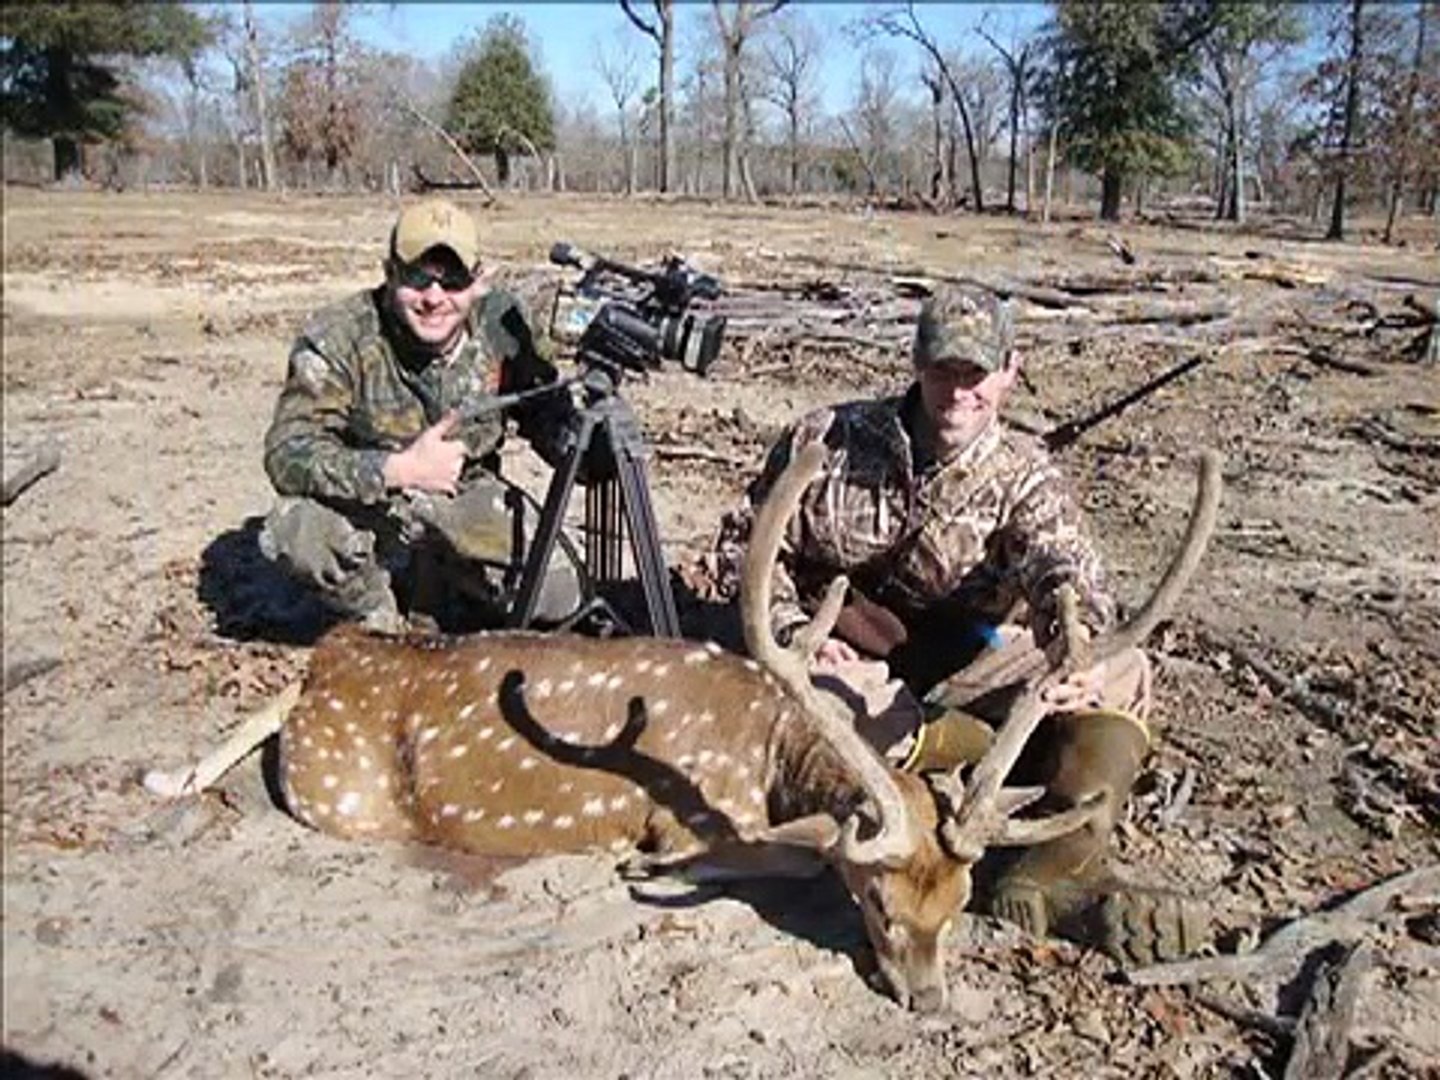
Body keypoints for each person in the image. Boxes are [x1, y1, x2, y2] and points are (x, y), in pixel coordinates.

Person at [710, 284, 1205, 964]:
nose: (957, 392)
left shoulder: (1026, 476)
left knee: (1124, 669)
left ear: (1009, 371)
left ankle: (1058, 866)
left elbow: (1069, 572)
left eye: (976, 374)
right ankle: (923, 837)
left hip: (970, 659)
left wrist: (1075, 646)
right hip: (847, 662)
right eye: (943, 369)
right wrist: (798, 635)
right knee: (812, 714)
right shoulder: (825, 439)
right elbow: (746, 547)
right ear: (916, 362)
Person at [260, 198, 586, 635]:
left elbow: (547, 417)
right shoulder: (339, 334)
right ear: (389, 273)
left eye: (452, 281)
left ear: (478, 281)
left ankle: (451, 589)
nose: (434, 298)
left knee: (563, 594)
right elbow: (286, 451)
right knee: (297, 533)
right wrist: (399, 469)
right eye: (418, 278)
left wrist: (591, 437)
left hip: (467, 504)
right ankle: (379, 620)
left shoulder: (504, 324)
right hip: (372, 507)